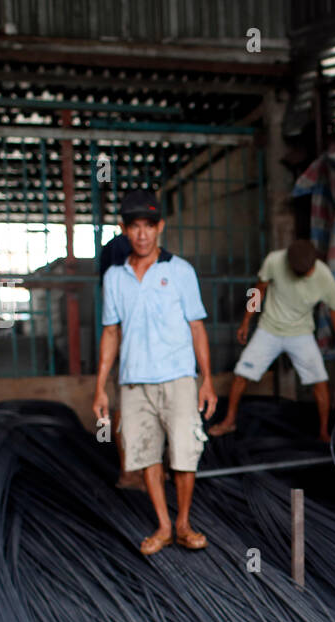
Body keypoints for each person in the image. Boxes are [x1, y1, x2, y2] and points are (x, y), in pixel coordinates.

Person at [92, 188, 218, 555]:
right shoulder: (114, 278)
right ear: (124, 229)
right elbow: (111, 331)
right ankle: (163, 525)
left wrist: (206, 379)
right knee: (146, 454)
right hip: (134, 382)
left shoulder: (180, 271)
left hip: (179, 376)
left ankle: (183, 524)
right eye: (135, 226)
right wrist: (101, 386)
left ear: (160, 227)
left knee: (184, 453)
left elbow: (197, 326)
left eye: (149, 225)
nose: (143, 234)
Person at [208, 240, 335, 442]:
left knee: (320, 380)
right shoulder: (274, 260)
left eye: (307, 271)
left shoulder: (324, 276)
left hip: (301, 333)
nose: (303, 275)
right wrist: (246, 321)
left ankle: (324, 432)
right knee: (241, 374)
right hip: (269, 328)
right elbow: (258, 290)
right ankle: (229, 421)